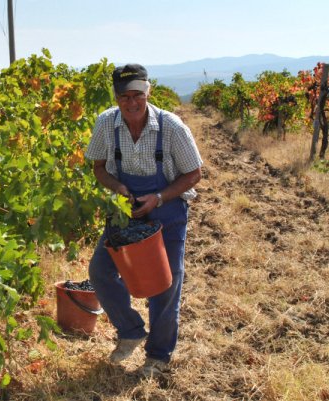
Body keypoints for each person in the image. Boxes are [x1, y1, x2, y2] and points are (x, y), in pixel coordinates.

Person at [85, 63, 203, 378]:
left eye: (137, 94)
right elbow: (99, 168)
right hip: (125, 211)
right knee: (100, 270)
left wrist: (160, 197)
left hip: (167, 209)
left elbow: (194, 173)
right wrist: (119, 188)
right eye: (124, 96)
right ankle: (131, 330)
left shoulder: (172, 127)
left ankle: (158, 356)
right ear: (116, 97)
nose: (131, 102)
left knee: (166, 284)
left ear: (147, 92)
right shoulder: (106, 124)